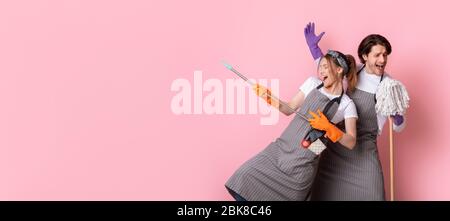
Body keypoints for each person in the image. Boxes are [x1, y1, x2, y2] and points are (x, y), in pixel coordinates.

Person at [225, 50, 359, 201]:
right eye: (320, 67)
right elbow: (288, 109)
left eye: (325, 66)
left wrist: (329, 128)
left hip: (303, 163)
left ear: (339, 70)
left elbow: (351, 141)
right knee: (245, 176)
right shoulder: (313, 84)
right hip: (281, 148)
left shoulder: (346, 104)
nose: (321, 71)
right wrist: (269, 98)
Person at [303, 22, 407, 200]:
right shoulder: (352, 70)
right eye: (377, 55)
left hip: (364, 151)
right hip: (335, 145)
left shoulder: (388, 84)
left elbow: (400, 125)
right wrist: (314, 48)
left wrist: (397, 117)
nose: (382, 60)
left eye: (385, 55)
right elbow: (328, 71)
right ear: (365, 56)